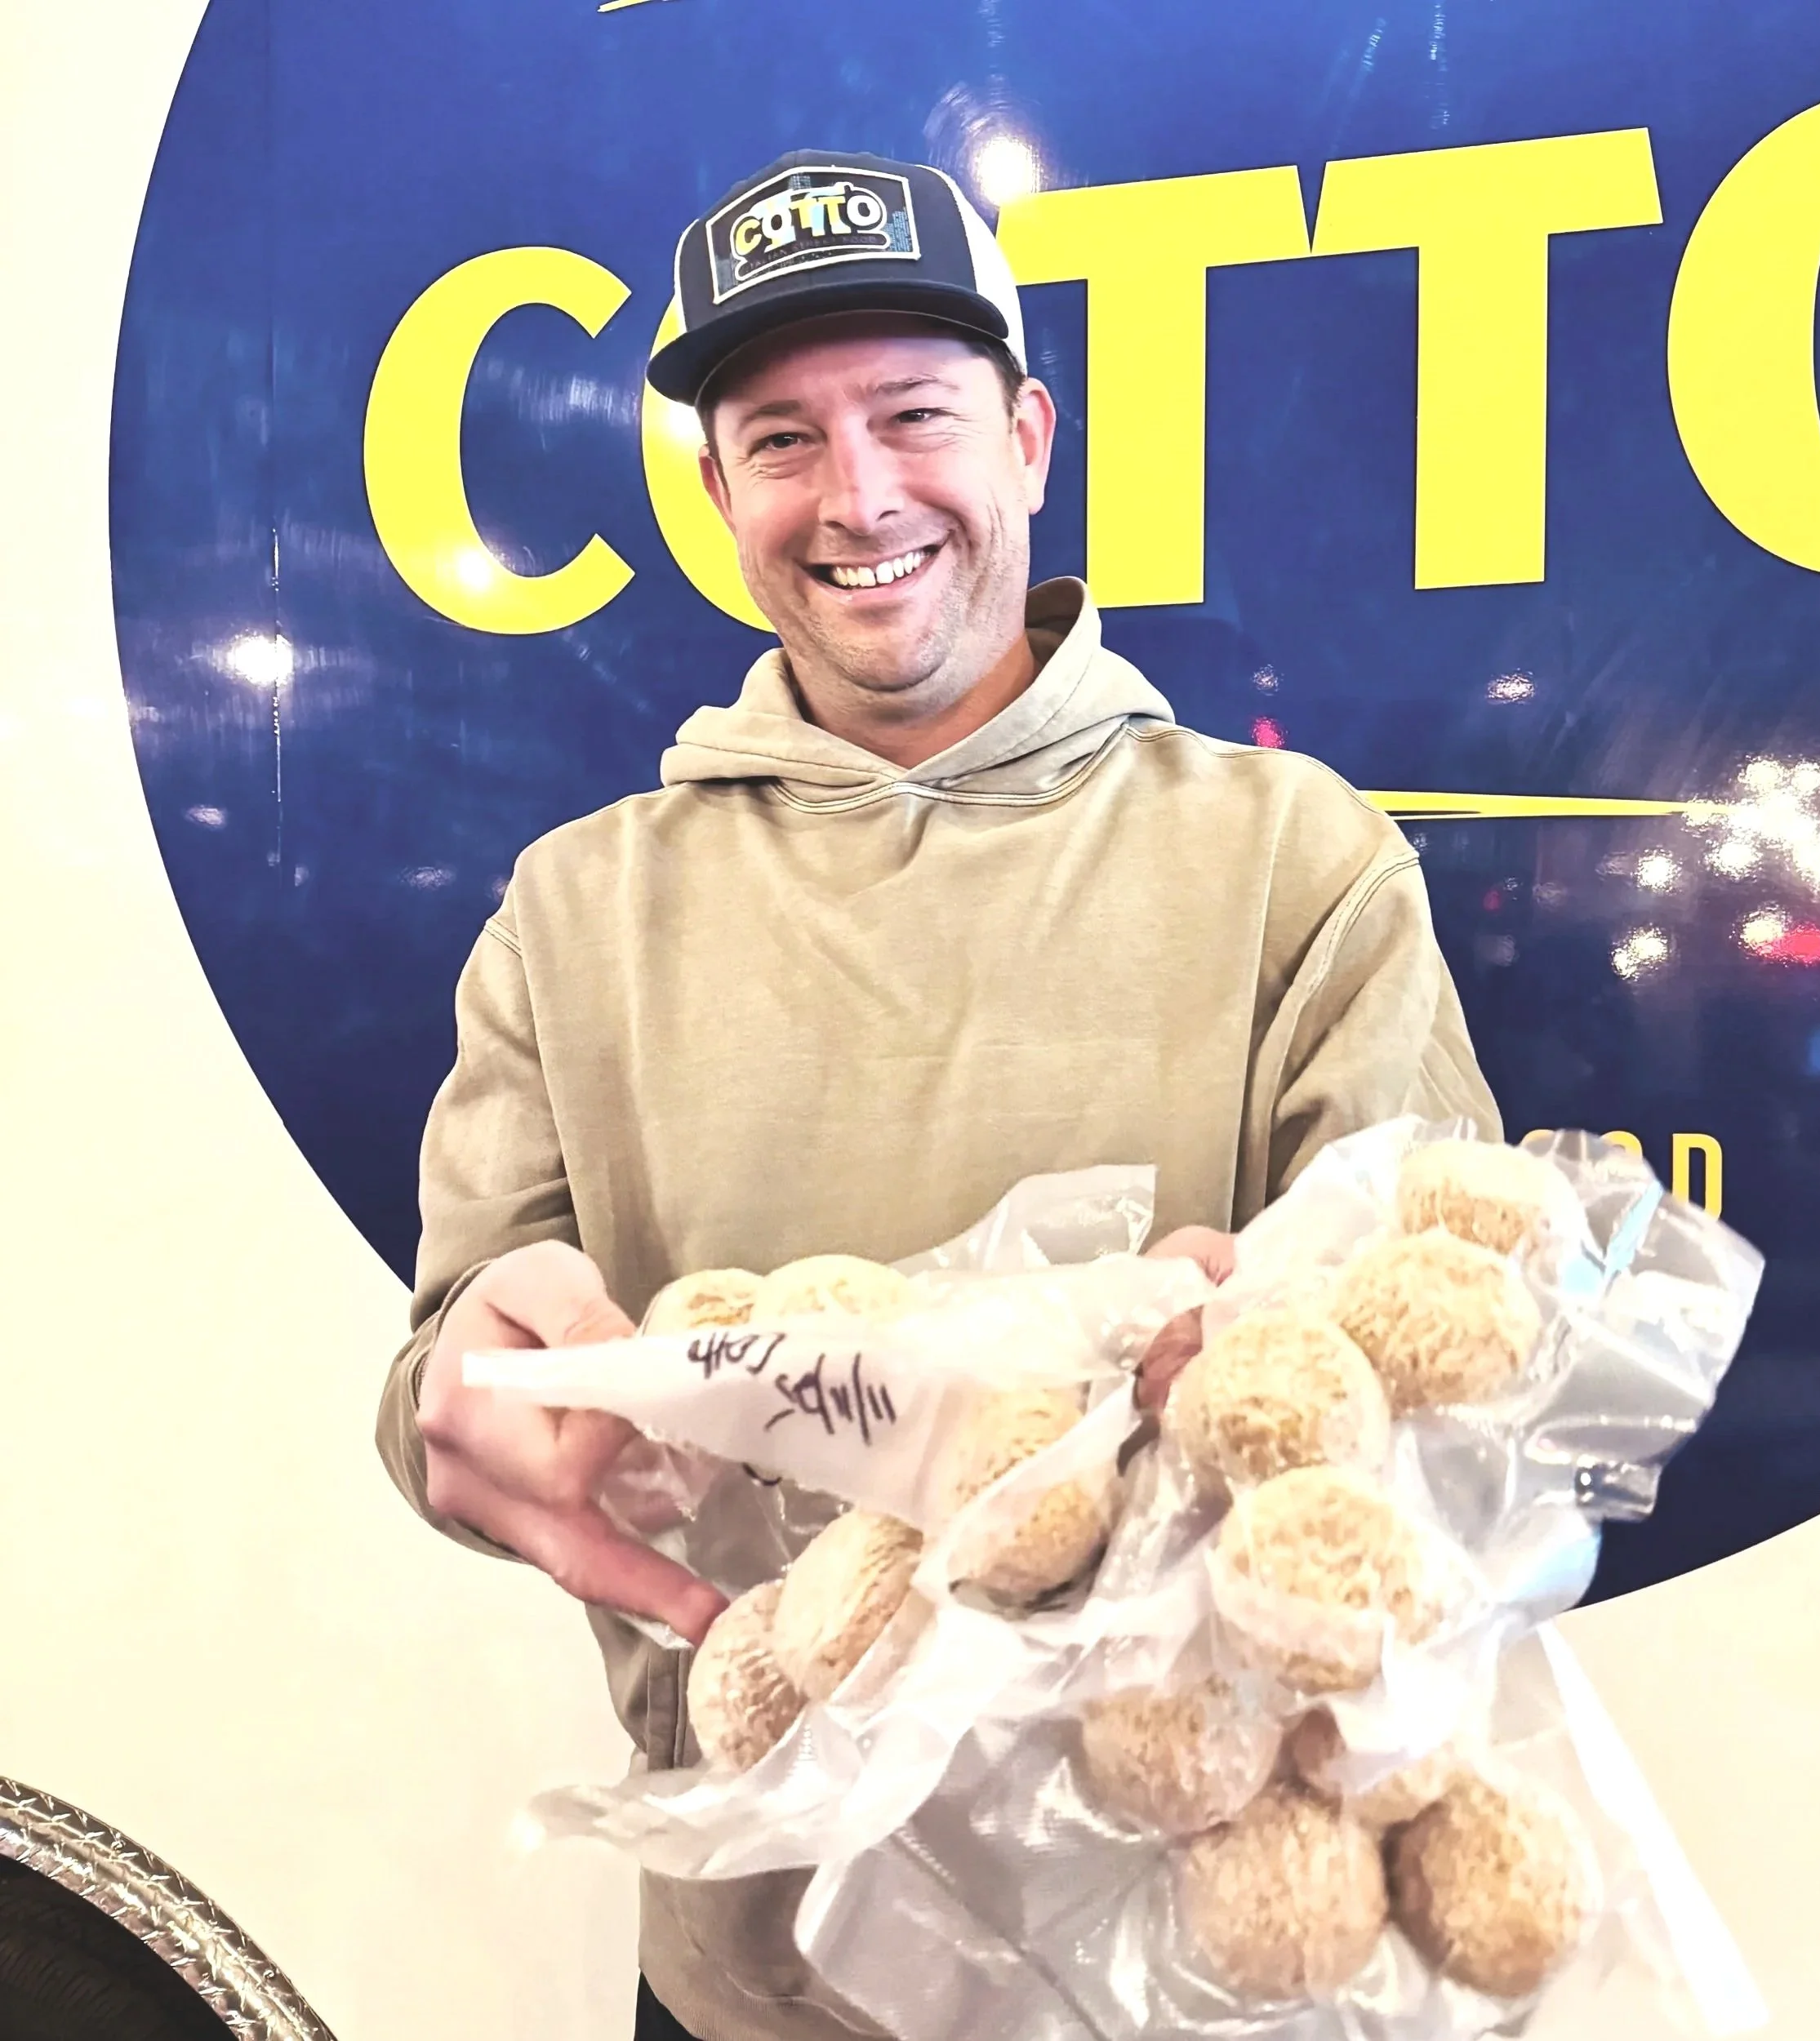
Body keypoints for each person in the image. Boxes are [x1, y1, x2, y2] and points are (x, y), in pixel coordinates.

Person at [376, 149, 1500, 2041]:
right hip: (753, 1967)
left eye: (912, 413)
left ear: (1027, 438)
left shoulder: (1293, 859)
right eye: (781, 439)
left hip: (1184, 1957)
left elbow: (1456, 1366)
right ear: (718, 490)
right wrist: (467, 1392)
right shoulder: (575, 909)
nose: (858, 493)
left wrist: (1263, 1379)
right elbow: (438, 1383)